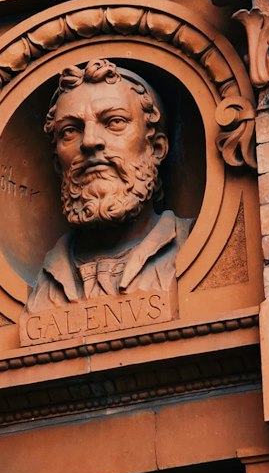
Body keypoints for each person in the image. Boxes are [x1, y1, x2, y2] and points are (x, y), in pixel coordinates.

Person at [26, 59, 191, 310]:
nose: (90, 142)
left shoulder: (188, 245)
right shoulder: (47, 277)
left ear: (155, 148)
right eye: (70, 131)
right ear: (59, 165)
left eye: (114, 121)